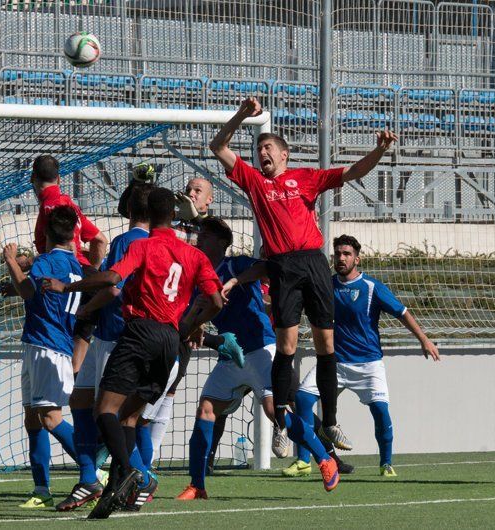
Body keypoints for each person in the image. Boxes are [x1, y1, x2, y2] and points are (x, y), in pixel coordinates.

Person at [210, 96, 397, 454]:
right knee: (288, 346)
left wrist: (380, 151)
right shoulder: (254, 182)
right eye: (258, 148)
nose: (261, 152)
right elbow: (218, 146)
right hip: (282, 266)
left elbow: (353, 172)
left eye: (267, 147)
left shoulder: (306, 179)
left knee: (327, 345)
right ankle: (281, 422)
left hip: (313, 263)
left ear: (284, 154)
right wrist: (241, 115)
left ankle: (330, 423)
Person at [43, 187, 224, 519]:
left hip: (140, 333)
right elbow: (215, 301)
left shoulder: (143, 246)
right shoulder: (193, 254)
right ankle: (115, 490)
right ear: (174, 213)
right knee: (129, 417)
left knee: (104, 411)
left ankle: (128, 471)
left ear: (148, 215)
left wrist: (65, 287)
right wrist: (190, 325)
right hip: (171, 342)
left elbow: (113, 279)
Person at [177, 217, 341, 500]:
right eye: (198, 235)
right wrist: (195, 324)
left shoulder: (236, 264)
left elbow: (266, 268)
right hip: (231, 356)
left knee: (273, 410)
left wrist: (234, 281)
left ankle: (325, 459)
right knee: (205, 409)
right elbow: (191, 321)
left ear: (220, 242)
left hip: (261, 349)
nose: (198, 240)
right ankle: (196, 484)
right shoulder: (198, 278)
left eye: (204, 235)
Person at [287, 235, 440, 478]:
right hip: (333, 363)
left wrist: (424, 339)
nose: (341, 258)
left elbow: (403, 313)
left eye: (347, 254)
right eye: (337, 253)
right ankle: (305, 460)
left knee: (380, 412)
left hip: (368, 364)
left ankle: (386, 463)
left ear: (357, 259)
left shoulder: (372, 287)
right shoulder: (326, 286)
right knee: (303, 400)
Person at [56, 183, 154, 512]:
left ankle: (139, 476)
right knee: (82, 400)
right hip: (119, 336)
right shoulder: (153, 242)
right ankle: (90, 478)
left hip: (117, 337)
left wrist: (85, 308)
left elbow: (113, 289)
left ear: (127, 208)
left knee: (110, 414)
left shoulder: (128, 241)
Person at [4, 205, 85, 508]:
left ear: (47, 233)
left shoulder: (48, 262)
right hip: (42, 343)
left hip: (48, 347)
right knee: (33, 419)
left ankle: (96, 471)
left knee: (51, 418)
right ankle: (42, 490)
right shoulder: (75, 265)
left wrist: (11, 260)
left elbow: (26, 290)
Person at [140, 176, 216, 461]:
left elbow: (208, 269)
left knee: (168, 391)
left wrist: (199, 321)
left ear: (209, 200)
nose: (191, 194)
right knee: (152, 390)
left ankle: (147, 459)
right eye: (188, 190)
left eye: (198, 190)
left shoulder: (211, 230)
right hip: (159, 316)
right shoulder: (170, 225)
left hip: (185, 320)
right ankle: (138, 458)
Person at [29, 155, 108, 376]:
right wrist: (90, 271)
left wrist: (25, 264)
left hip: (69, 279)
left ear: (32, 178)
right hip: (87, 281)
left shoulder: (50, 207)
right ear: (60, 178)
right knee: (73, 366)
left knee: (61, 362)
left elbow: (69, 249)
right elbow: (100, 239)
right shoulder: (69, 204)